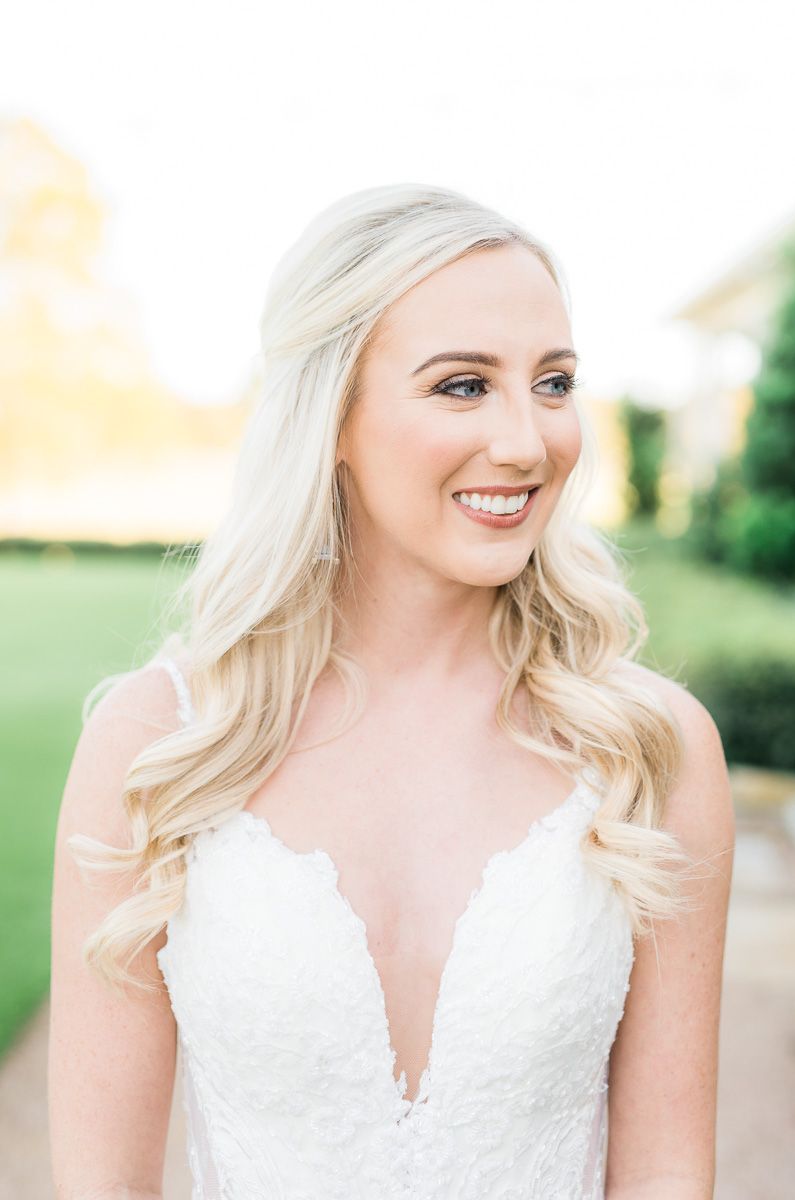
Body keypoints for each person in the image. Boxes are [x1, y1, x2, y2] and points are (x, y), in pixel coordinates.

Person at [48, 183, 735, 1200]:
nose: (527, 441)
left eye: (553, 383)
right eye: (464, 386)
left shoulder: (650, 752)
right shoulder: (159, 745)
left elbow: (669, 1176)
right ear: (332, 415)